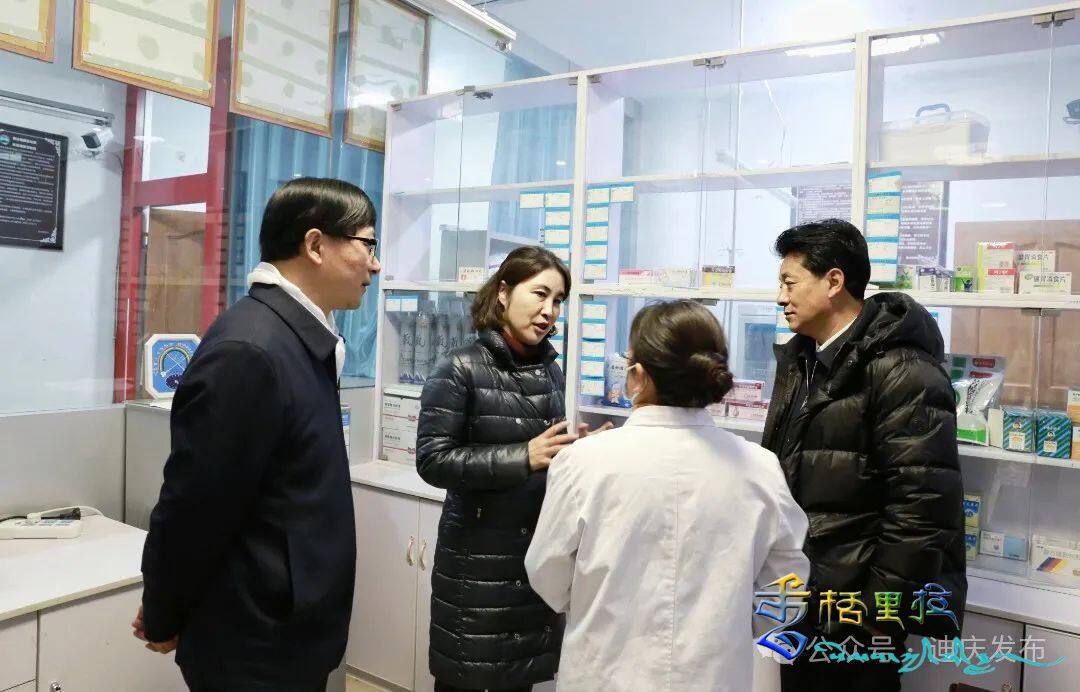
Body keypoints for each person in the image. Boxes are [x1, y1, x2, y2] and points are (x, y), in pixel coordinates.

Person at [133, 178, 382, 691]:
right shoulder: (251, 351)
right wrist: (164, 609)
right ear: (315, 245)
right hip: (255, 644)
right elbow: (195, 506)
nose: (375, 265)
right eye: (368, 244)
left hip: (287, 632)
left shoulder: (296, 338)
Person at [523, 299, 810, 691]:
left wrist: (596, 604)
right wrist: (731, 626)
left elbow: (546, 571)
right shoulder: (759, 468)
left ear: (638, 376)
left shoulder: (583, 462)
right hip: (715, 677)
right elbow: (787, 589)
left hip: (604, 674)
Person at [764, 219, 966, 692]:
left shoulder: (903, 370)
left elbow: (924, 506)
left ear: (834, 281)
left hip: (857, 614)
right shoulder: (800, 360)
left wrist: (876, 616)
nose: (780, 298)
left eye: (790, 283)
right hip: (799, 597)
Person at [416, 246, 609, 691]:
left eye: (558, 300)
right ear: (503, 292)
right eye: (540, 294)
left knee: (519, 681)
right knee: (470, 678)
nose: (549, 310)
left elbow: (544, 456)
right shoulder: (459, 366)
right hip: (478, 567)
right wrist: (523, 456)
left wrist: (577, 452)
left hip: (533, 560)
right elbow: (433, 460)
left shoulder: (549, 370)